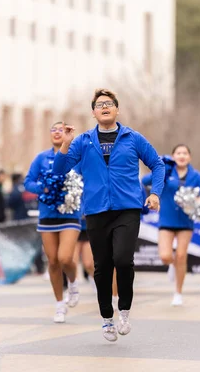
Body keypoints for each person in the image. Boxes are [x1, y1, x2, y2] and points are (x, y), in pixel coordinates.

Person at [53, 88, 163, 342]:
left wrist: (155, 193)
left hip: (127, 208)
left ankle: (124, 310)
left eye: (109, 103)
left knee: (123, 260)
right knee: (102, 266)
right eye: (99, 104)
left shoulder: (132, 138)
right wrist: (66, 143)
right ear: (93, 112)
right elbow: (59, 171)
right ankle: (106, 318)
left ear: (117, 109)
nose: (104, 107)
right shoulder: (82, 141)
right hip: (96, 210)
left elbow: (157, 164)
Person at [142, 144, 200, 306]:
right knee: (166, 256)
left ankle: (178, 293)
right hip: (167, 220)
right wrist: (160, 166)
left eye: (185, 153)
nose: (181, 156)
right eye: (178, 153)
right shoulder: (167, 172)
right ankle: (172, 266)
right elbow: (145, 181)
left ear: (189, 157)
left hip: (185, 222)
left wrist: (199, 200)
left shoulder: (196, 176)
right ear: (173, 156)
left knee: (181, 256)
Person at [25, 122, 82, 323]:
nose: (58, 132)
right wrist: (44, 188)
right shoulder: (41, 158)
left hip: (70, 214)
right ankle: (59, 304)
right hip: (47, 214)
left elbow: (86, 181)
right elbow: (28, 182)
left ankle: (73, 283)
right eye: (54, 129)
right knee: (53, 261)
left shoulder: (76, 156)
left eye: (62, 129)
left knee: (65, 257)